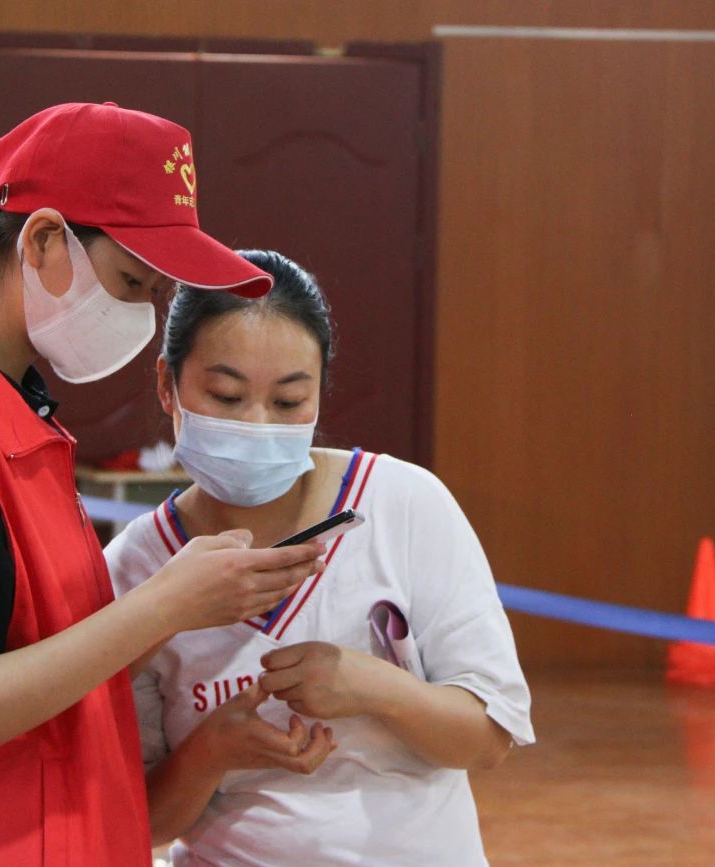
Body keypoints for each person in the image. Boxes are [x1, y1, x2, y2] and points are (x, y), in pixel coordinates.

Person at [0, 104, 326, 867]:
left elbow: (45, 657)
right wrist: (163, 604)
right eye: (130, 282)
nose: (141, 313)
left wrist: (183, 618)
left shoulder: (13, 416)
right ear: (44, 240)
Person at [105, 250, 535, 866]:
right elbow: (140, 821)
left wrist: (375, 687)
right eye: (226, 395)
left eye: (287, 402)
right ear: (166, 386)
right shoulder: (136, 568)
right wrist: (210, 753)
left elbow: (489, 739)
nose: (257, 424)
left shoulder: (403, 503)